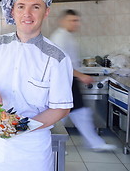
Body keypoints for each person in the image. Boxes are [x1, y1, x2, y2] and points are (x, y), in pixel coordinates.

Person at [0, 0, 74, 171]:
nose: (27, 14)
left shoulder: (57, 57)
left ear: (46, 12)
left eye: (35, 7)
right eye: (21, 6)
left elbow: (61, 108)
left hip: (33, 149)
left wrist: (21, 127)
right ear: (13, 11)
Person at [50, 9, 116, 152]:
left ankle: (92, 142)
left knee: (77, 113)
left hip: (69, 80)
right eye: (72, 20)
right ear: (63, 21)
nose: (76, 24)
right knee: (66, 113)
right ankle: (54, 144)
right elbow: (61, 64)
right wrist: (81, 75)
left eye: (77, 20)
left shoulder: (67, 36)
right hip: (64, 81)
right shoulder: (60, 37)